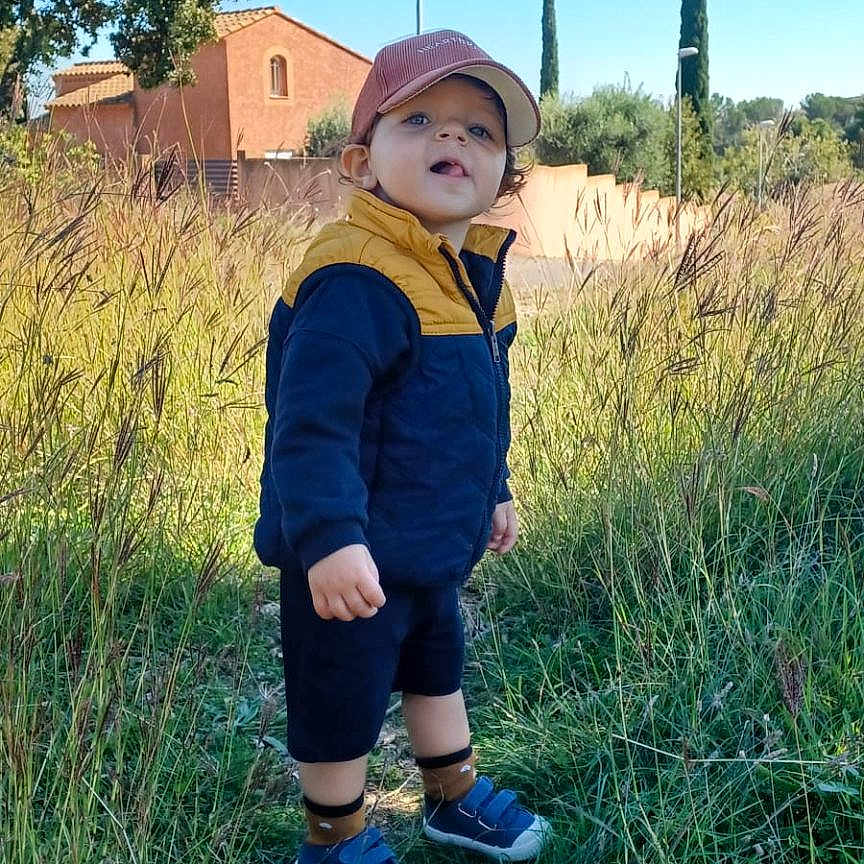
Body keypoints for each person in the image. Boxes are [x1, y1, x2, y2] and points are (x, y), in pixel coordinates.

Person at [254, 28, 551, 864]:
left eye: (478, 130)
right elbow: (309, 427)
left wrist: (493, 484)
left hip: (427, 550)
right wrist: (329, 541)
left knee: (436, 668)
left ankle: (450, 795)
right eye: (418, 120)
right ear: (360, 164)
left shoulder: (475, 280)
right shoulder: (356, 280)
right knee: (341, 695)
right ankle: (335, 833)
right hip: (351, 563)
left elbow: (479, 406)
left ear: (503, 177)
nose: (451, 137)